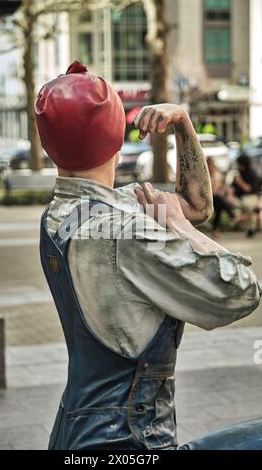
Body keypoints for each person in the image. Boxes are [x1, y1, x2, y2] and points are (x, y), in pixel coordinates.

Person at [35, 61, 262, 450]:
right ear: (116, 136)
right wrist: (184, 231)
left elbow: (195, 204)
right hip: (130, 442)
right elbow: (240, 291)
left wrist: (183, 125)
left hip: (74, 434)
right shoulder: (127, 231)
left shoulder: (63, 214)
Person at [232, 155, 261, 237]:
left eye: (239, 164)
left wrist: (239, 181)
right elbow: (232, 187)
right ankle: (249, 226)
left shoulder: (252, 174)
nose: (238, 166)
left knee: (248, 204)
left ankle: (249, 226)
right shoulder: (238, 174)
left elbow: (249, 189)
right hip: (239, 197)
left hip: (251, 196)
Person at [206, 157, 234, 238]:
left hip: (216, 200)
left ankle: (215, 230)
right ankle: (233, 216)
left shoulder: (218, 175)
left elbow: (222, 187)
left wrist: (228, 194)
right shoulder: (204, 176)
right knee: (220, 201)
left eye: (213, 164)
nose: (212, 166)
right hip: (207, 200)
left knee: (220, 204)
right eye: (210, 165)